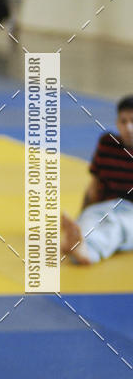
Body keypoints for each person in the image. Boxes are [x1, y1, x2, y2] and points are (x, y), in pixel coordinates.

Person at [61, 95, 133, 264]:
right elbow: (94, 186)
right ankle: (77, 240)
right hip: (105, 206)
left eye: (132, 121)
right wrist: (82, 215)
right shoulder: (107, 143)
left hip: (131, 212)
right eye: (123, 121)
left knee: (118, 228)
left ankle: (89, 252)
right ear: (117, 123)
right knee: (90, 220)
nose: (128, 127)